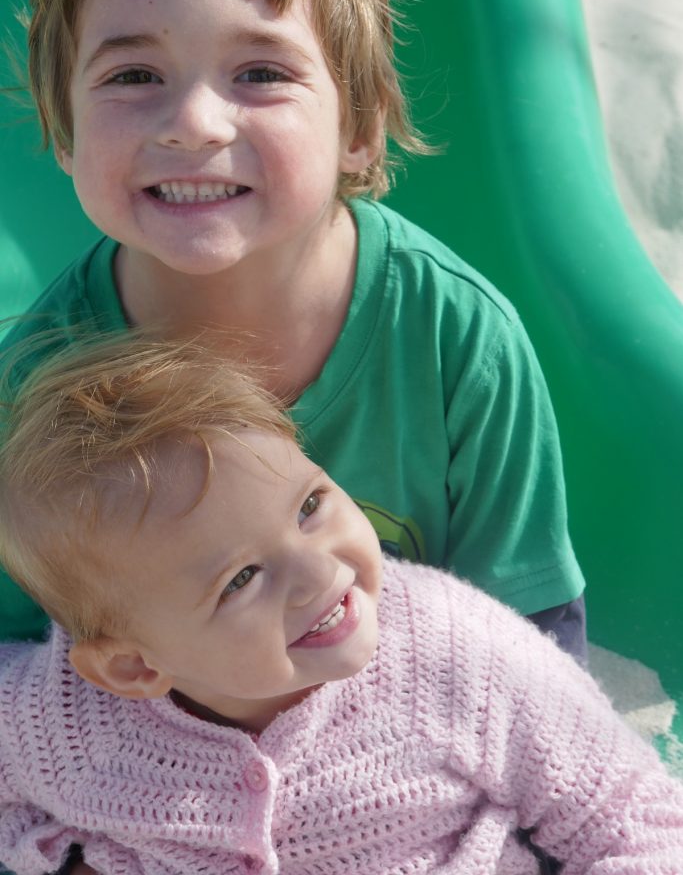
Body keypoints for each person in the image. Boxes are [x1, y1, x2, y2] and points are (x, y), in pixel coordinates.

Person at [0, 0, 586, 660]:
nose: (195, 123)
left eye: (260, 72)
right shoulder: (36, 384)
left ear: (358, 127)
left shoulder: (455, 340)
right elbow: (20, 658)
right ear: (64, 132)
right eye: (134, 74)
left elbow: (534, 640)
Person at [0, 331, 682, 875]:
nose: (317, 571)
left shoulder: (454, 654)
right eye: (241, 578)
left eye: (310, 505)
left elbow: (636, 818)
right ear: (131, 669)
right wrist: (59, 854)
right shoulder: (68, 721)